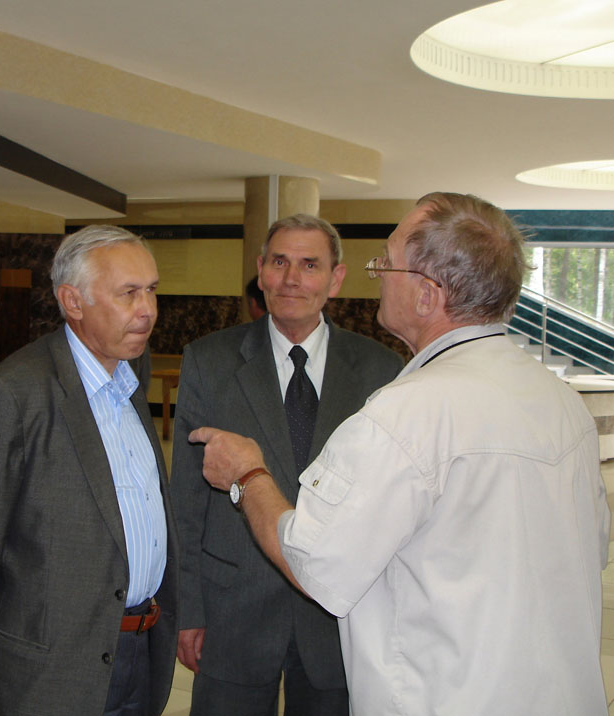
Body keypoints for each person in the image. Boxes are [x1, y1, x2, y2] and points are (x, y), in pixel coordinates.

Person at [191, 193, 611, 716]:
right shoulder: (561, 402)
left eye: (386, 264)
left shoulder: (404, 414)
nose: (378, 277)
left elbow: (315, 563)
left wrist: (249, 474)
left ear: (427, 295)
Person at [0, 225, 179, 716]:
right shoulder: (12, 395)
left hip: (141, 651)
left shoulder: (130, 376)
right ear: (73, 301)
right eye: (128, 292)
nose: (147, 309)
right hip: (50, 671)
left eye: (151, 290)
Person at [170, 213, 403, 715]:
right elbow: (185, 500)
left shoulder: (381, 371)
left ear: (336, 279)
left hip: (338, 615)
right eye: (279, 262)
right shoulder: (209, 361)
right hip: (232, 609)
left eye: (310, 265)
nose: (291, 278)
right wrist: (187, 609)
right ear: (260, 271)